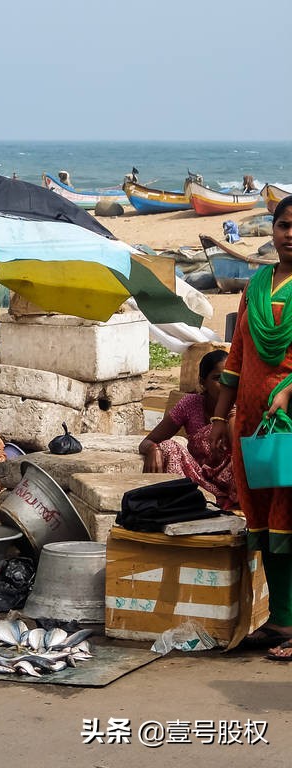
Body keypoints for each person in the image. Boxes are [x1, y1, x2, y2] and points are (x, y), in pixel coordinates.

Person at [211, 194, 292, 658]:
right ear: (273, 229)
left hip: (289, 425)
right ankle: (280, 621)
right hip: (253, 430)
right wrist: (221, 416)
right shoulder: (256, 284)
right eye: (283, 225)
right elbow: (238, 356)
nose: (290, 234)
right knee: (264, 524)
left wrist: (287, 390)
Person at [140, 350, 237, 509]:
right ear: (202, 382)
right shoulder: (190, 405)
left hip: (233, 485)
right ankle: (181, 502)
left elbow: (240, 455)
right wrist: (153, 449)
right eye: (217, 378)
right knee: (168, 446)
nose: (225, 385)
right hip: (198, 481)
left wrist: (231, 418)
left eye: (230, 379)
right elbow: (148, 440)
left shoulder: (240, 405)